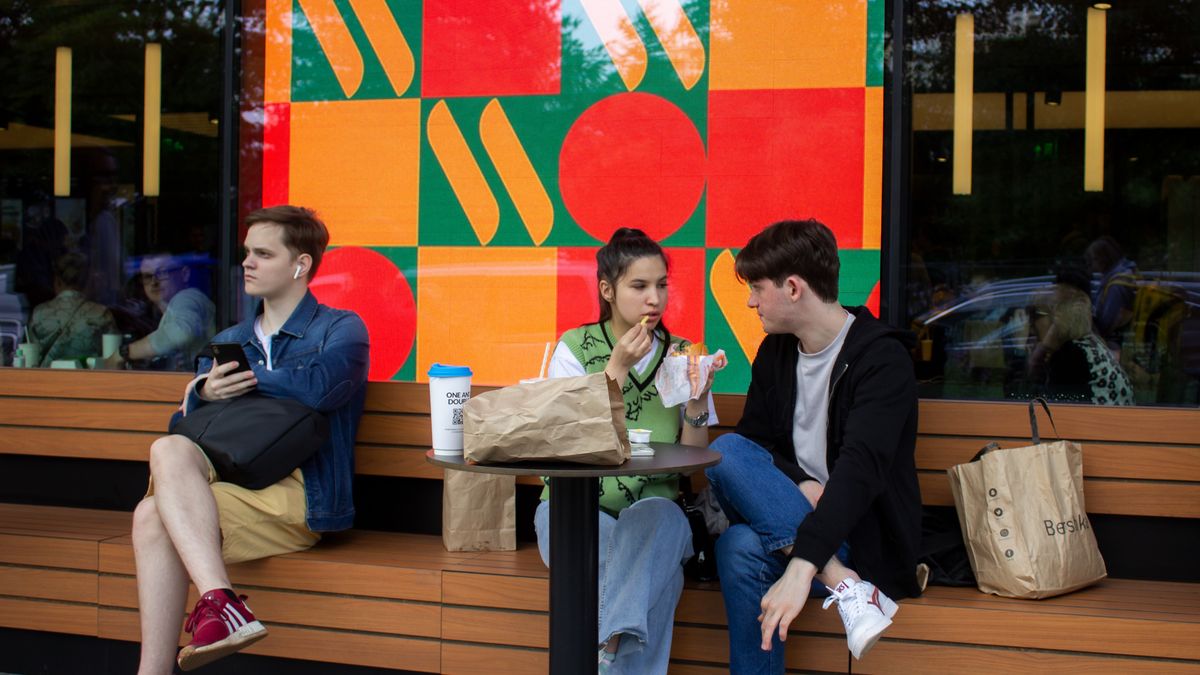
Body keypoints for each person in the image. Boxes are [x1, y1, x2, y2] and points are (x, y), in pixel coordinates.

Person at [130, 205, 369, 673]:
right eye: (246, 254)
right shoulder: (230, 337)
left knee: (151, 513)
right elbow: (187, 435)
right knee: (162, 465)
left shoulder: (340, 329)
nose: (247, 263)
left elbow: (321, 388)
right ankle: (220, 607)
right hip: (233, 488)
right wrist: (203, 393)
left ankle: (203, 627)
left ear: (301, 265)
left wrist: (252, 377)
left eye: (263, 253)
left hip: (304, 497)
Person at [704, 219, 922, 670]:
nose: (750, 301)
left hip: (859, 538)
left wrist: (803, 566)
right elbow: (757, 447)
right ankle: (845, 586)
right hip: (803, 532)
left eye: (758, 288)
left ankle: (837, 575)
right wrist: (800, 482)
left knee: (738, 538)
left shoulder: (882, 359)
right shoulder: (777, 352)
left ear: (793, 288)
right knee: (731, 458)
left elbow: (860, 473)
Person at [536, 228, 718, 674]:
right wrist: (614, 369)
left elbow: (694, 460)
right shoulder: (574, 349)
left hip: (655, 510)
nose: (653, 299)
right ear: (607, 290)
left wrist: (696, 400)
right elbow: (564, 441)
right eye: (639, 286)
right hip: (575, 507)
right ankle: (616, 638)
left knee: (654, 522)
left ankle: (610, 638)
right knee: (658, 575)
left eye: (661, 285)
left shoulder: (680, 355)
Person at [1031, 276, 1134, 406]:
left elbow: (1055, 413)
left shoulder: (1070, 357)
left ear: (1058, 319)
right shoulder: (1089, 344)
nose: (1032, 323)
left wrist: (1043, 348)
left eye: (1037, 314)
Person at [105, 252, 215, 371]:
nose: (154, 282)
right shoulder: (165, 310)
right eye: (147, 276)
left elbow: (180, 333)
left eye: (162, 273)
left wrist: (123, 353)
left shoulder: (188, 297)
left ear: (185, 274)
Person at [27, 252, 117, 366]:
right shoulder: (101, 313)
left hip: (46, 381)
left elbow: (30, 358)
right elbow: (114, 358)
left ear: (57, 281)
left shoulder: (39, 313)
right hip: (89, 381)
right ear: (87, 281)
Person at [1085, 235, 1137, 349]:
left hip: (1115, 343)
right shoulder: (1117, 277)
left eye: (1094, 259)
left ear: (1104, 259)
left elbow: (1107, 323)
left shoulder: (1116, 285)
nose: (1093, 265)